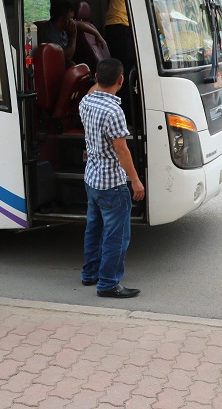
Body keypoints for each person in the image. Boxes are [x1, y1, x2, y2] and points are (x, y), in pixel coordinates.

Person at [79, 58, 146, 298]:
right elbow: (122, 150)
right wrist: (136, 181)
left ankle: (90, 274)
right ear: (120, 80)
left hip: (92, 179)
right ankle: (108, 283)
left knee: (94, 229)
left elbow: (93, 89)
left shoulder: (86, 101)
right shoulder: (114, 111)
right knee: (116, 236)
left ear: (96, 78)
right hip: (112, 184)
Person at [38, 0, 106, 65]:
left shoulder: (63, 26)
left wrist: (97, 34)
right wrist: (73, 35)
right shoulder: (49, 35)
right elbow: (67, 58)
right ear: (62, 19)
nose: (73, 21)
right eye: (71, 18)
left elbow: (79, 24)